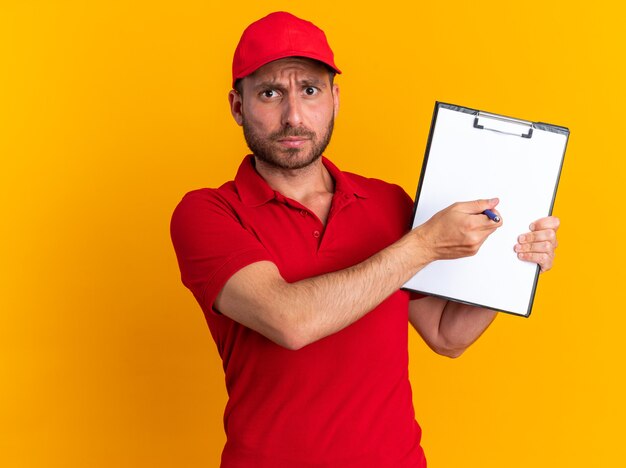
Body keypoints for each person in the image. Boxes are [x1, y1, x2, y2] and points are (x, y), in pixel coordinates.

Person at [170, 11, 559, 468]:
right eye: (271, 92)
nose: (293, 115)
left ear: (335, 99)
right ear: (238, 106)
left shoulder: (388, 203)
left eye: (310, 91)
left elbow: (446, 335)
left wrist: (513, 261)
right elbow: (289, 321)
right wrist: (424, 244)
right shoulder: (207, 213)